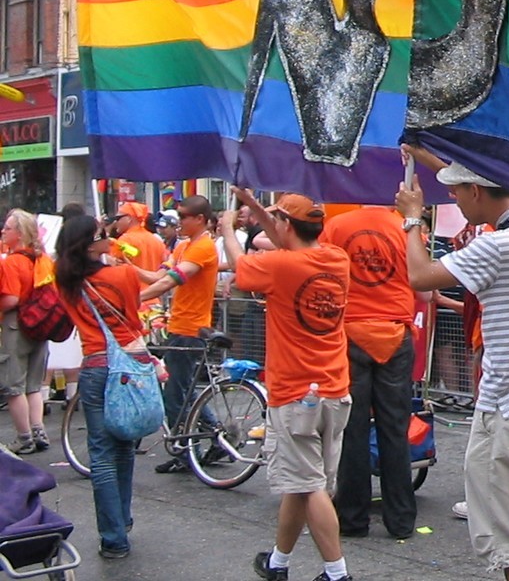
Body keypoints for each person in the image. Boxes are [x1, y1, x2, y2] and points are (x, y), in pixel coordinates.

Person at [400, 159, 509, 580]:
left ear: (477, 192)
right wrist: (431, 153)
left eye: (457, 190)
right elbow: (487, 177)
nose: (451, 196)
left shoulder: (497, 246)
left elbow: (419, 275)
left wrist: (412, 218)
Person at [223, 192, 354, 581]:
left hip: (295, 393)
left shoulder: (280, 265)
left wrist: (229, 229)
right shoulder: (336, 258)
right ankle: (278, 562)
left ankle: (337, 573)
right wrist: (255, 205)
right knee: (301, 483)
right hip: (334, 389)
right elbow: (288, 238)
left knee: (308, 485)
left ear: (286, 227)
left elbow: (241, 267)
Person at [321, 202, 418, 540]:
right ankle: (401, 519)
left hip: (350, 330)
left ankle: (352, 517)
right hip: (395, 329)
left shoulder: (337, 225)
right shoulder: (407, 227)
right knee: (395, 428)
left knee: (352, 429)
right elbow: (421, 282)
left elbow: (325, 277)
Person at [52, 213, 146, 560]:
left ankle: (114, 536)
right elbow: (133, 315)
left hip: (94, 366)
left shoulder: (65, 280)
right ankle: (121, 521)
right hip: (128, 365)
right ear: (92, 245)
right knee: (123, 449)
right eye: (104, 235)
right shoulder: (123, 273)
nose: (110, 239)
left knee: (102, 455)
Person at [137, 194, 221, 471]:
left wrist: (135, 300)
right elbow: (158, 277)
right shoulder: (184, 245)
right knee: (183, 391)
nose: (178, 220)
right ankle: (216, 437)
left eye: (183, 216)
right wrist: (126, 269)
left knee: (175, 396)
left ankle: (187, 452)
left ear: (199, 219)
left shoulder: (203, 248)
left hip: (190, 329)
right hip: (180, 326)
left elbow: (171, 281)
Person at [1, 210, 51, 453]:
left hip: (15, 325)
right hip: (40, 324)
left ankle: (24, 437)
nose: (3, 231)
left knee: (13, 386)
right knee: (33, 384)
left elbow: (10, 299)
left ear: (19, 234)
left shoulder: (12, 262)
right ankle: (38, 429)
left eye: (7, 228)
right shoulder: (42, 259)